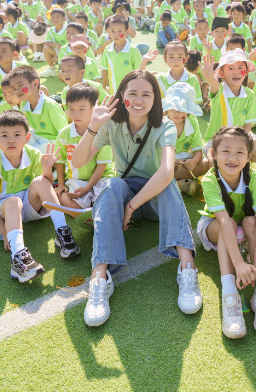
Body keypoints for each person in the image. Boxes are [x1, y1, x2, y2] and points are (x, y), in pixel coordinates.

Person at [71, 70, 201, 327]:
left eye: (146, 94)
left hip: (153, 199)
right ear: (121, 96)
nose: (139, 99)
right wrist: (93, 126)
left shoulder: (165, 126)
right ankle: (100, 278)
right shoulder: (109, 124)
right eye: (132, 93)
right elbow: (77, 161)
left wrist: (130, 207)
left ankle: (187, 269)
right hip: (126, 190)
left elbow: (165, 173)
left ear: (156, 99)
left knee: (169, 185)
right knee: (111, 185)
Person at [0, 111, 80, 282]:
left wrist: (48, 169)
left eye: (17, 134)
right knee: (13, 201)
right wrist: (4, 232)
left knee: (41, 180)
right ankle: (18, 257)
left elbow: (46, 185)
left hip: (28, 206)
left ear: (27, 137)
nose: (11, 140)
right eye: (4, 135)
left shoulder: (33, 154)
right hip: (6, 213)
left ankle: (62, 232)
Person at [198, 126, 256, 338]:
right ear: (213, 154)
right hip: (214, 227)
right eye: (225, 151)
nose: (233, 158)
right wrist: (239, 264)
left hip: (241, 226)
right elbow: (222, 221)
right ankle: (230, 293)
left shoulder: (255, 179)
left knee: (251, 222)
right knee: (230, 224)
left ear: (249, 157)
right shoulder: (210, 180)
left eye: (240, 152)